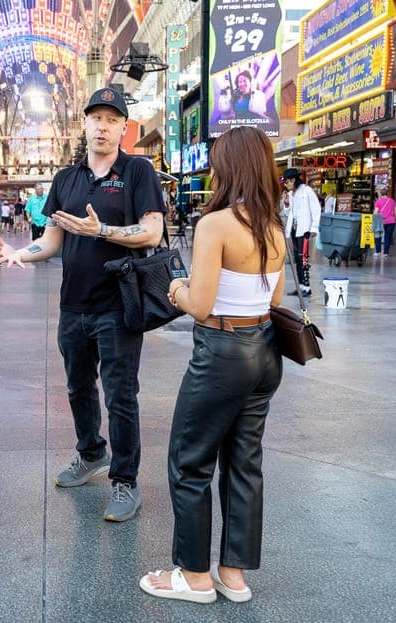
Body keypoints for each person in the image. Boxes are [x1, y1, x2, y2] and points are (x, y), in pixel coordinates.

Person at [0, 88, 166, 522]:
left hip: (119, 305)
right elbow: (51, 240)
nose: (103, 126)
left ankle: (125, 480)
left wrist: (101, 230)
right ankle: (91, 454)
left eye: (112, 119)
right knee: (78, 387)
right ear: (84, 124)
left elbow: (152, 233)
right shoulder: (66, 180)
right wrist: (19, 253)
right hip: (74, 306)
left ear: (123, 128)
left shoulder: (137, 171)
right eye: (96, 118)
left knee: (121, 395)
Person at [139, 126, 285, 605]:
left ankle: (195, 576)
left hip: (222, 354)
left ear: (229, 167)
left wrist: (173, 287)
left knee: (189, 460)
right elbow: (275, 299)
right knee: (245, 464)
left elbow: (199, 305)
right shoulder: (274, 226)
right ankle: (233, 575)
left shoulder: (216, 224)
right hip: (265, 352)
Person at [280, 168, 320, 296]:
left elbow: (316, 209)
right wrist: (286, 203)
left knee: (303, 259)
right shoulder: (291, 194)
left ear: (293, 180)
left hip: (305, 230)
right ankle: (300, 286)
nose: (286, 185)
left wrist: (314, 227)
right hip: (294, 229)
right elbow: (288, 213)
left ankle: (307, 288)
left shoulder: (307, 191)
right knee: (297, 259)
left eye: (287, 182)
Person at [373, 189, 396, 258]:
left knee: (378, 236)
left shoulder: (378, 201)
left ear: (381, 194)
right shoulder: (392, 201)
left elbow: (376, 212)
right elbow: (395, 212)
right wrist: (392, 217)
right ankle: (386, 253)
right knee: (388, 236)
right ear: (388, 193)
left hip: (381, 221)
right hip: (391, 221)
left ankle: (378, 252)